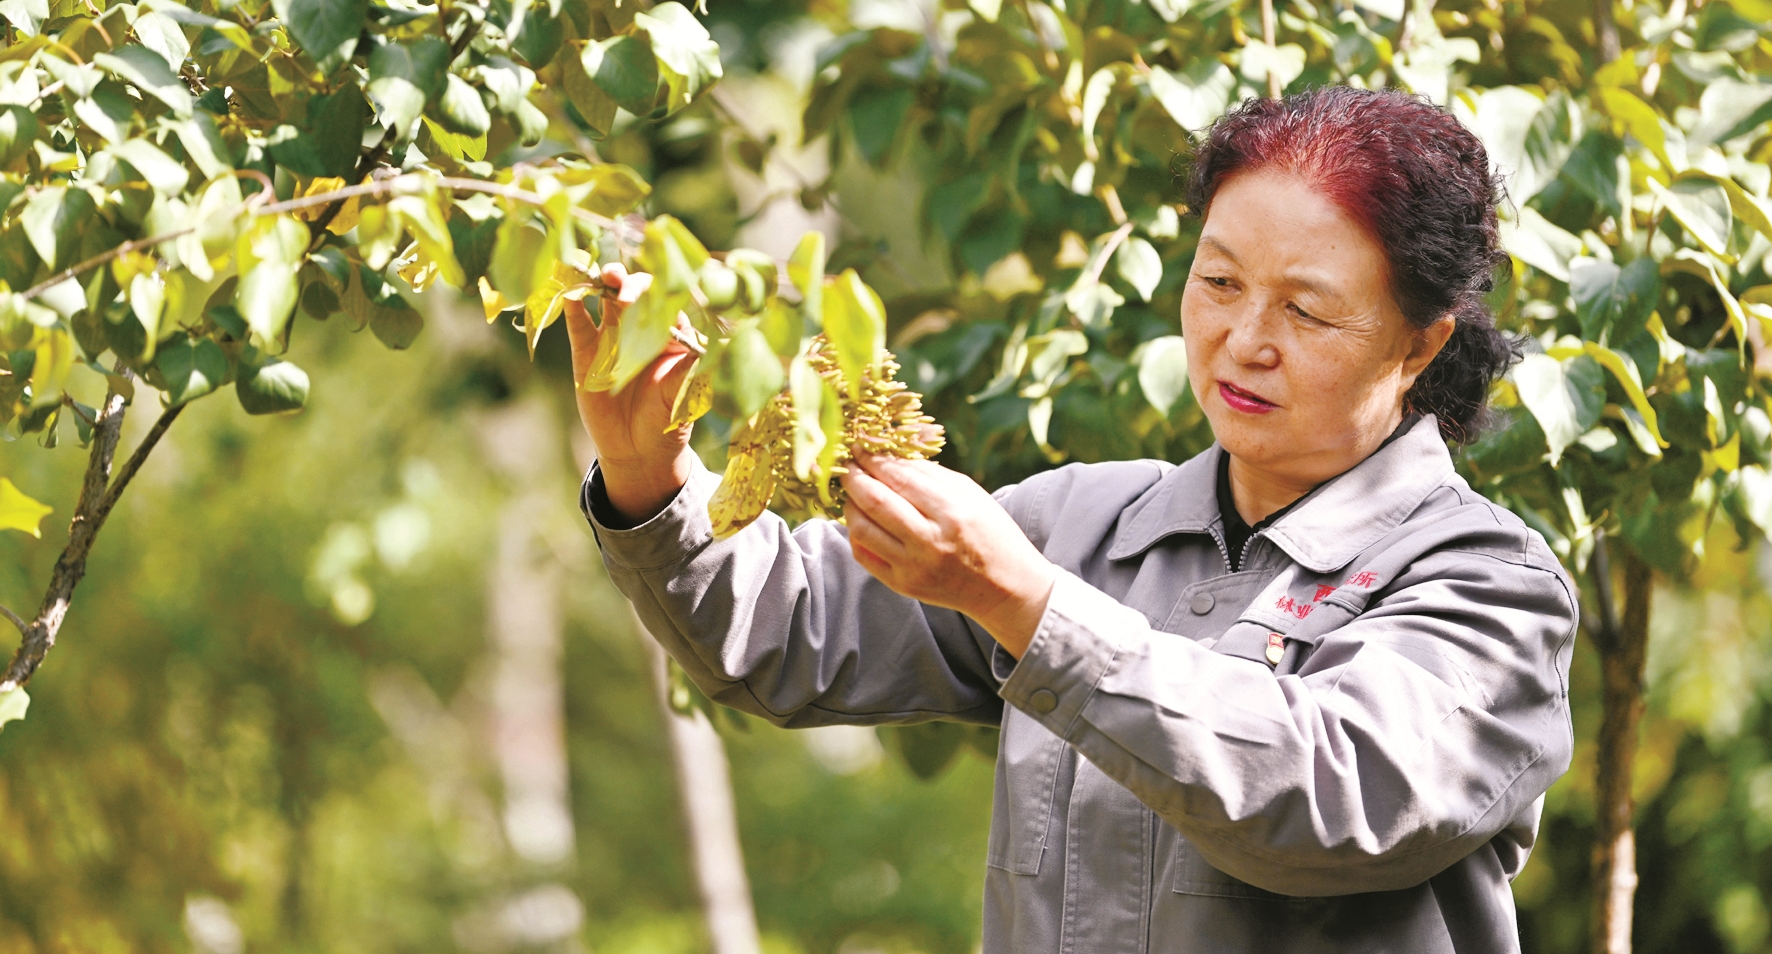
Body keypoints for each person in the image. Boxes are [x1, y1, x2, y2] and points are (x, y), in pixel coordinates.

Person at [566, 86, 1578, 953]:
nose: (1243, 339)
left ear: (1417, 344)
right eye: (1218, 281)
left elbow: (1332, 797)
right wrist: (649, 473)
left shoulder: (1491, 587)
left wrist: (1028, 604)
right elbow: (787, 629)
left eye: (1305, 310)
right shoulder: (1084, 522)